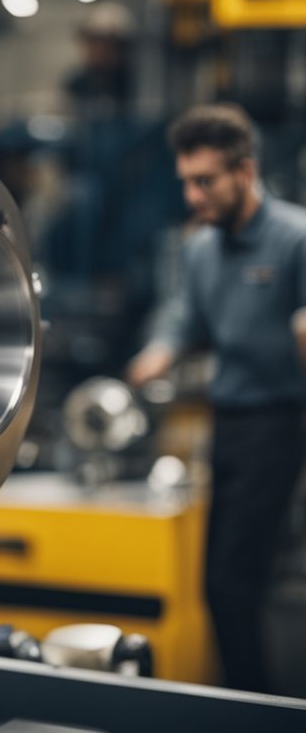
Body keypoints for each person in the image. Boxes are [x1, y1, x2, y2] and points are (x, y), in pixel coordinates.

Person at [127, 103, 306, 693]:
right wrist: (160, 348)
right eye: (186, 182)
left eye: (205, 182)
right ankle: (246, 699)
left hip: (280, 425)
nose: (193, 196)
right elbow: (183, 316)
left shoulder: (294, 239)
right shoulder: (200, 249)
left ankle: (261, 708)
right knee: (219, 586)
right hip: (226, 429)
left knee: (238, 585)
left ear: (245, 173)